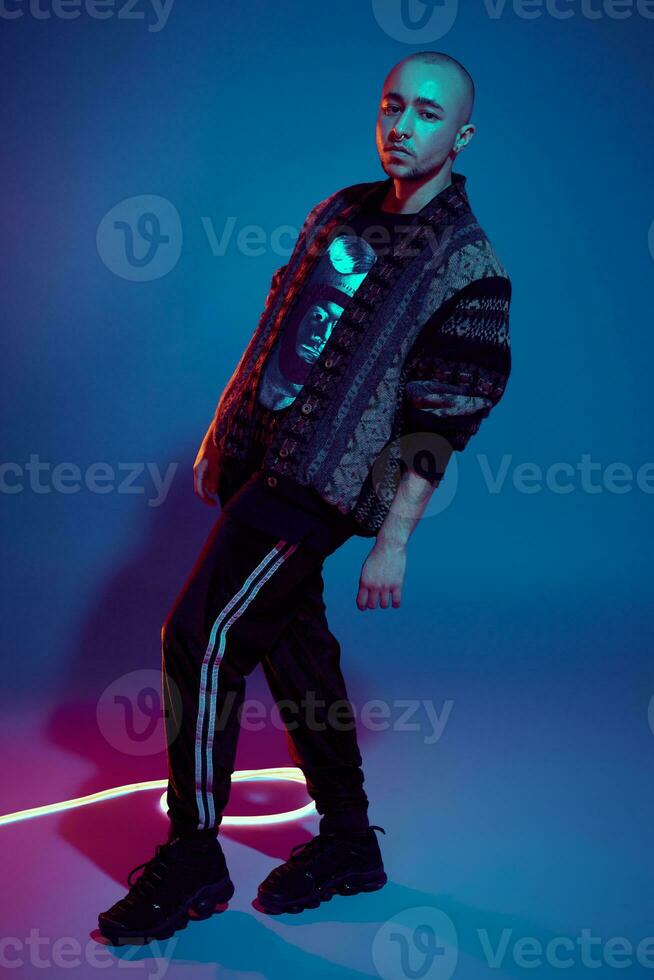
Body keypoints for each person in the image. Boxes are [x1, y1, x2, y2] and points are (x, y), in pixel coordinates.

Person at [98, 49, 512, 945]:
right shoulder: (341, 207)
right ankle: (352, 845)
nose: (404, 125)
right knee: (293, 649)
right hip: (263, 458)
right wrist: (222, 428)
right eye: (394, 105)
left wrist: (394, 537)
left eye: (429, 114)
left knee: (199, 639)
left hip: (324, 484)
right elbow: (278, 322)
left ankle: (194, 857)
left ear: (462, 135)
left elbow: (444, 416)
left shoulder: (468, 262)